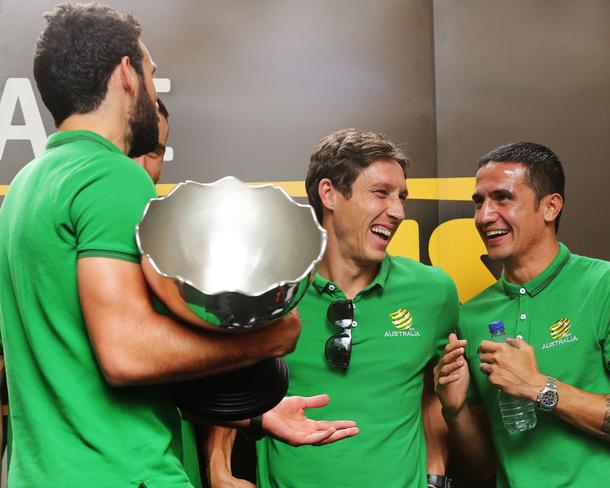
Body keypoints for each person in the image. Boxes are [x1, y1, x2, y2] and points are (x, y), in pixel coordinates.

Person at [0, 4, 355, 487]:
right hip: (123, 473)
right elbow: (125, 354)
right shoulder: (111, 176)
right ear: (126, 73)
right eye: (150, 72)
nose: (151, 86)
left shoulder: (28, 185)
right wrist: (265, 340)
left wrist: (255, 416)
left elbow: (75, 363)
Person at [209, 128, 460, 488]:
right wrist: (219, 468)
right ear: (329, 193)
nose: (398, 211)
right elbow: (229, 382)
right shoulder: (268, 290)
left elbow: (433, 392)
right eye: (380, 194)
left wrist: (435, 474)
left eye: (401, 196)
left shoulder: (434, 292)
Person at [435, 142, 610, 487]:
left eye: (502, 198)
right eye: (479, 201)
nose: (484, 216)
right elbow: (485, 467)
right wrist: (456, 410)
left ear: (550, 207)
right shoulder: (471, 316)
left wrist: (540, 387)